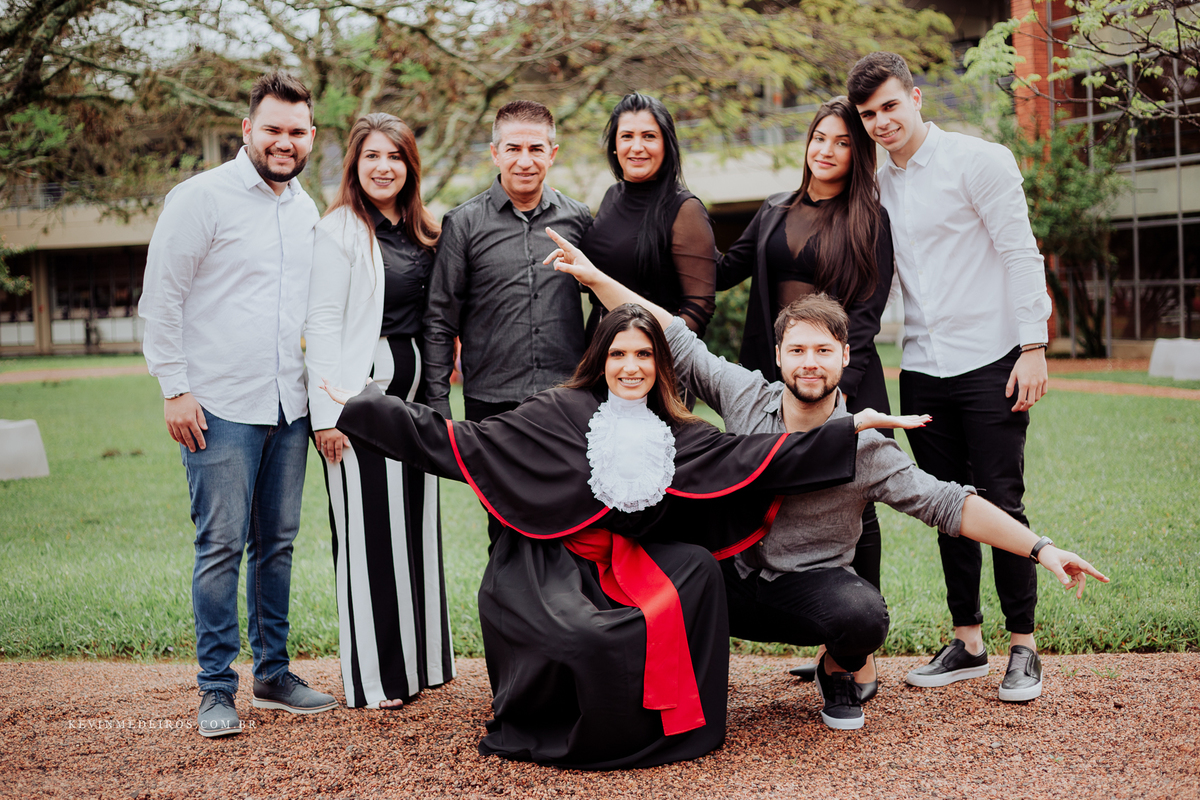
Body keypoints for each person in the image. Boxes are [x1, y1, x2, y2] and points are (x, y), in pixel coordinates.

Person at [547, 235, 1108, 731]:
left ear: (845, 355)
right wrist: (595, 278)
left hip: (808, 589)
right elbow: (674, 334)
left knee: (863, 616)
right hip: (729, 578)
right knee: (645, 564)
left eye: (822, 350)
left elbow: (948, 503)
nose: (808, 363)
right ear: (778, 356)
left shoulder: (866, 445)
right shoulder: (746, 396)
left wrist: (1041, 548)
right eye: (796, 350)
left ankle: (837, 668)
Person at [321, 301, 915, 767]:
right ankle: (580, 732)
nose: (631, 367)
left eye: (645, 356)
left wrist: (848, 428)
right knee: (589, 639)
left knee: (699, 572)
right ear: (601, 360)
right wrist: (369, 407)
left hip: (627, 561)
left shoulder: (676, 433)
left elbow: (758, 457)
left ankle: (684, 724)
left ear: (661, 367)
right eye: (619, 354)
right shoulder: (556, 412)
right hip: (546, 563)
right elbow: (460, 441)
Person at [848, 52, 1054, 701]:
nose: (881, 122)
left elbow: (1022, 251)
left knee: (1000, 499)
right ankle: (967, 642)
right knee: (947, 508)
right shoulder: (877, 185)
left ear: (915, 96)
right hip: (923, 366)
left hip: (994, 358)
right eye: (868, 114)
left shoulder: (979, 159)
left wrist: (1033, 346)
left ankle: (1024, 648)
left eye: (889, 106)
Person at [138, 72, 337, 738]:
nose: (285, 142)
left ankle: (275, 676)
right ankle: (217, 690)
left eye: (297, 132)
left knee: (276, 546)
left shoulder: (306, 208)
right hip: (218, 406)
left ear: (312, 136)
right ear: (247, 130)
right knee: (220, 547)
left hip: (289, 406)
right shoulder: (200, 199)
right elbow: (161, 298)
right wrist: (173, 387)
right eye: (273, 129)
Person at [715, 96, 895, 686]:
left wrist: (841, 397)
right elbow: (722, 269)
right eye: (821, 137)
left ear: (857, 154)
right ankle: (811, 618)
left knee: (856, 505)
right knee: (773, 496)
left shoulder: (869, 220)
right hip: (773, 383)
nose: (828, 150)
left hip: (845, 380)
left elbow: (865, 315)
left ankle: (854, 654)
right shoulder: (771, 211)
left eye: (843, 142)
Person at [305, 113, 454, 710]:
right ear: (355, 165)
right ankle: (377, 677)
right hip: (356, 405)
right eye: (371, 156)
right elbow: (319, 322)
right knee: (368, 539)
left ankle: (422, 665)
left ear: (410, 165)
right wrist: (324, 414)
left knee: (415, 532)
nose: (383, 167)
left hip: (416, 406)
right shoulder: (338, 229)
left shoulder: (423, 229)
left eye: (395, 156)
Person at [423, 99, 592, 542]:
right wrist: (439, 406)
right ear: (494, 152)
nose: (525, 160)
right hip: (492, 405)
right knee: (506, 527)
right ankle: (508, 611)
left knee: (570, 523)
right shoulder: (462, 224)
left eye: (536, 149)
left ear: (553, 153)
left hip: (566, 400)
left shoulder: (578, 220)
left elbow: (607, 302)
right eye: (513, 148)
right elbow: (441, 321)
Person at [578, 93, 716, 341]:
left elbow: (699, 307)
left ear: (666, 144)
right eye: (627, 136)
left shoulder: (685, 209)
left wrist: (649, 354)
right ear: (615, 145)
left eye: (649, 136)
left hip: (647, 361)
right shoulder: (613, 195)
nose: (637, 147)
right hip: (598, 357)